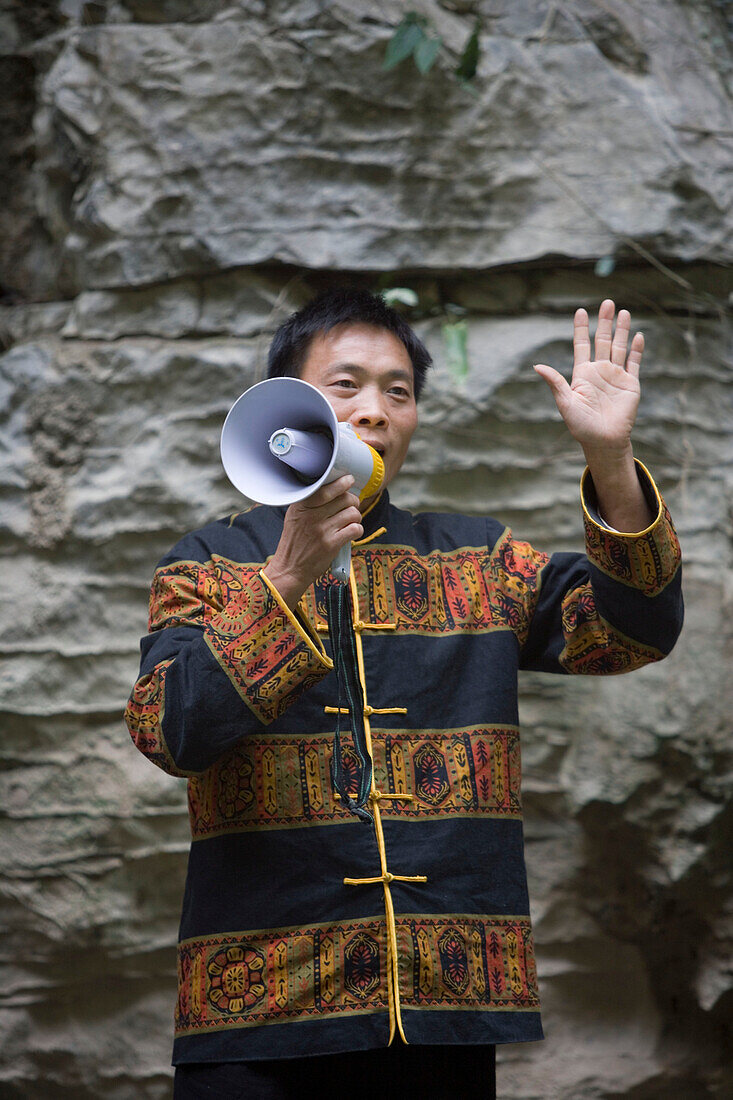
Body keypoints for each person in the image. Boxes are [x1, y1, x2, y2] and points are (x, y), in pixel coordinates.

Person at [125, 288, 683, 1099]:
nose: (375, 411)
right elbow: (169, 732)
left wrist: (607, 458)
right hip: (259, 1005)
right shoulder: (206, 565)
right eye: (345, 384)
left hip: (445, 1003)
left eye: (398, 390)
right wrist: (286, 578)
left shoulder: (478, 559)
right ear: (286, 406)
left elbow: (632, 630)